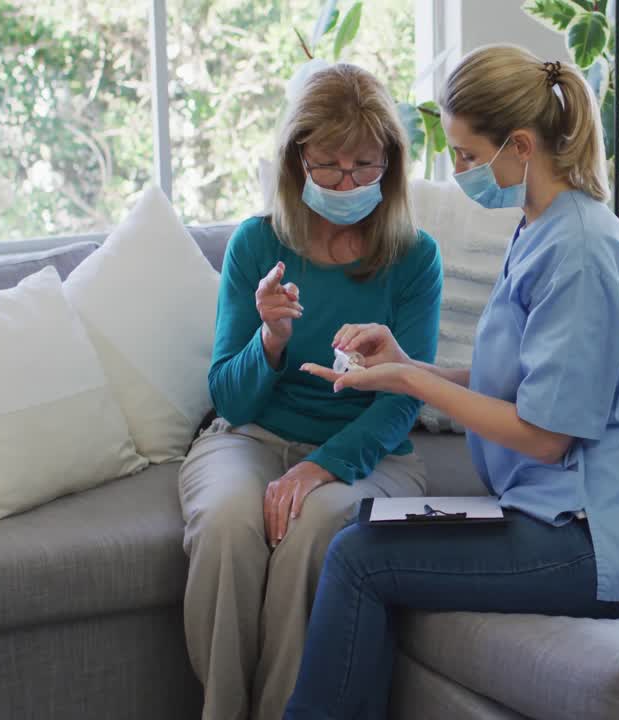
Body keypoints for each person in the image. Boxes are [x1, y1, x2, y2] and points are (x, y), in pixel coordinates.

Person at [285, 45, 619, 719]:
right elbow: (528, 380)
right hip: (560, 514)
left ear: (521, 146)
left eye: (468, 156)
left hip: (601, 540)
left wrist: (413, 387)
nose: (460, 172)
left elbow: (546, 435)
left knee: (360, 558)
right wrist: (407, 364)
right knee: (366, 528)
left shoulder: (581, 251)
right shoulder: (541, 227)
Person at [178, 62, 442, 720]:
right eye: (329, 165)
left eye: (364, 165)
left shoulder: (415, 257)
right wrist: (269, 338)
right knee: (231, 524)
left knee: (315, 528)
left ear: (392, 164)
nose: (348, 182)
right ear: (297, 163)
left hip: (368, 455)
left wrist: (321, 467)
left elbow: (404, 396)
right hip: (251, 435)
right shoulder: (256, 243)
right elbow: (230, 400)